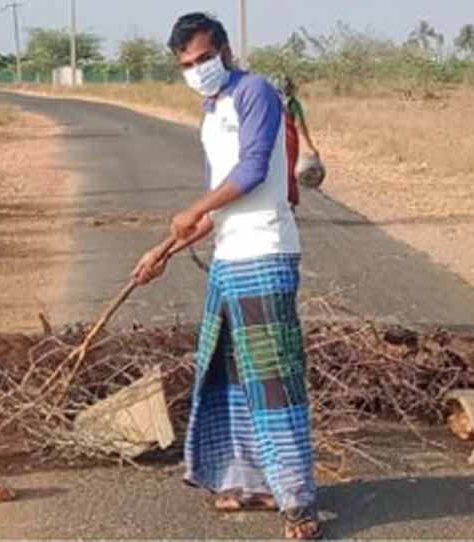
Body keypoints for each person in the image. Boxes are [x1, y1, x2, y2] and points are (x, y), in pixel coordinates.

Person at [132, 12, 321, 540]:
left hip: (264, 252)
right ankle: (254, 483)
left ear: (224, 50)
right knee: (229, 374)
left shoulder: (254, 92)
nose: (196, 70)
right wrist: (165, 249)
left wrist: (191, 210)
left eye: (203, 59)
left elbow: (254, 169)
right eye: (186, 65)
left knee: (273, 380)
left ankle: (299, 506)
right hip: (229, 257)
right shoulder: (211, 113)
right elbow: (219, 208)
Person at [282, 76, 318, 209]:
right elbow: (300, 125)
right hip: (289, 140)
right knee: (290, 169)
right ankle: (289, 200)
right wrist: (311, 146)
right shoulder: (293, 104)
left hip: (273, 140)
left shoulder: (271, 101)